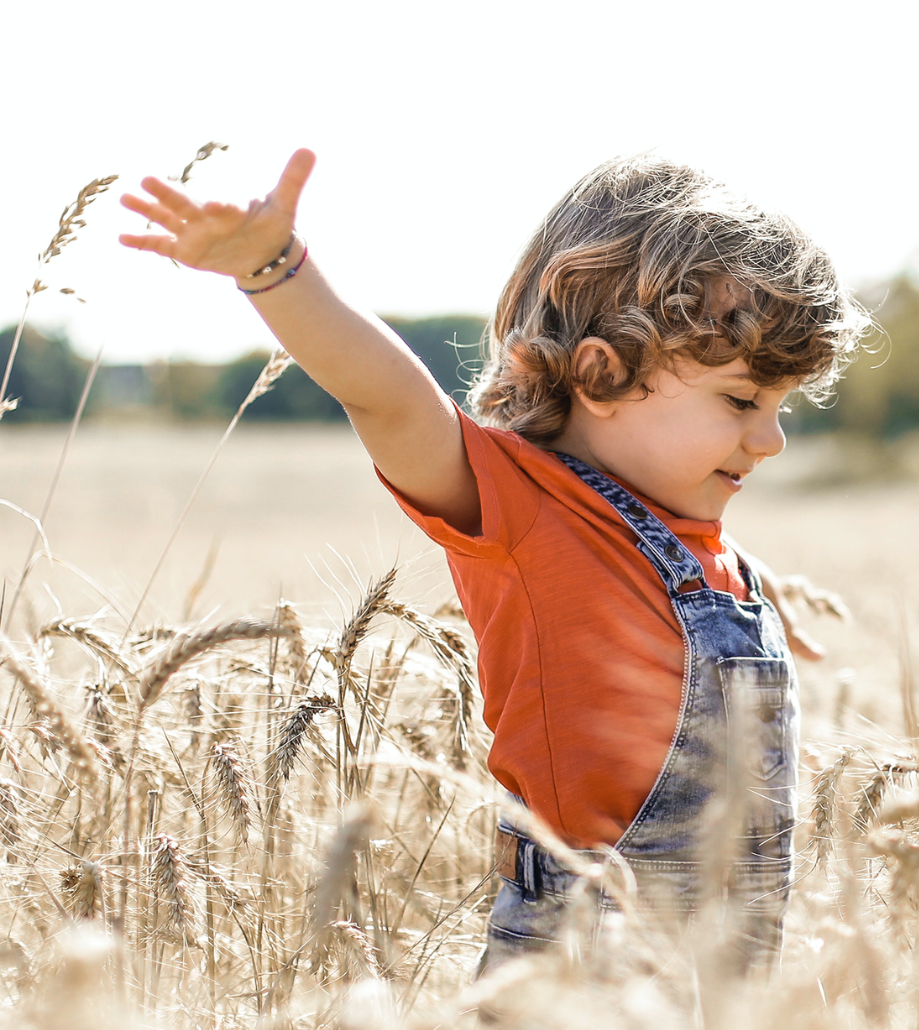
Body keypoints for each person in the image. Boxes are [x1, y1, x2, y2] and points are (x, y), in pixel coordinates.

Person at [118, 149, 869, 975]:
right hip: (581, 963)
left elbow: (665, 592)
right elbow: (389, 399)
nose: (772, 439)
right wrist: (275, 269)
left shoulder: (700, 547)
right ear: (600, 373)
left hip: (726, 973)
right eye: (742, 400)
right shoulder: (524, 510)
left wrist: (749, 597)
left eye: (781, 405)